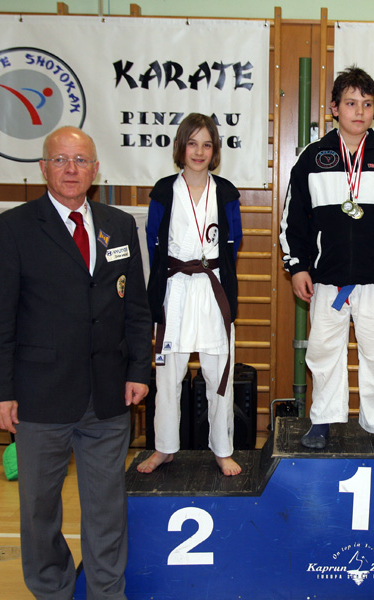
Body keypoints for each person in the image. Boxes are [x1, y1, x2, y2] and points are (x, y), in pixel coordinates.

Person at [0, 126, 152, 599]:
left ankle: (105, 591)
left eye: (80, 160)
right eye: (60, 160)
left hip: (108, 394)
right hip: (39, 397)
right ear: (43, 168)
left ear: (96, 170)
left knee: (107, 508)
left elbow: (136, 307)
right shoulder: (13, 228)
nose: (71, 169)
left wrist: (139, 370)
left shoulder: (119, 225)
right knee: (39, 510)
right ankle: (52, 588)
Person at [279, 66, 374, 449]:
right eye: (351, 103)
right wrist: (297, 266)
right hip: (327, 278)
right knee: (324, 351)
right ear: (334, 108)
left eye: (367, 104)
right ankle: (323, 419)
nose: (359, 111)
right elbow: (293, 219)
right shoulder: (313, 158)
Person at [138, 113, 244, 476]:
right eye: (192, 143)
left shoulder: (226, 192)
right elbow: (154, 241)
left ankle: (223, 450)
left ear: (215, 151)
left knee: (219, 372)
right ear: (181, 147)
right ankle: (164, 448)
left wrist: (211, 271)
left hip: (213, 286)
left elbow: (234, 242)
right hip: (176, 287)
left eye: (207, 145)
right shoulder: (163, 191)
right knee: (168, 376)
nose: (199, 152)